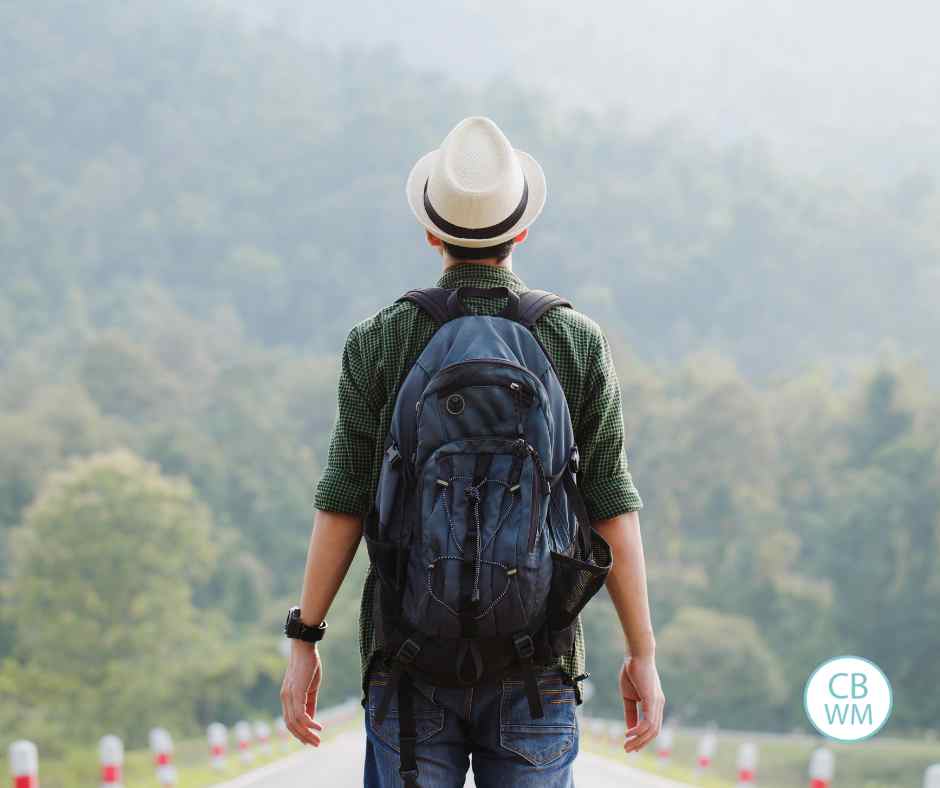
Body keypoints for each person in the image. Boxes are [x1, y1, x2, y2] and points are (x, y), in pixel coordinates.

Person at [280, 117, 664, 787]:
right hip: (537, 668)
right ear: (522, 229)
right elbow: (612, 504)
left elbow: (343, 499)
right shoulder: (575, 342)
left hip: (407, 665)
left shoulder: (380, 340)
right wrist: (643, 655)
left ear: (432, 233)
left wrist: (304, 640)